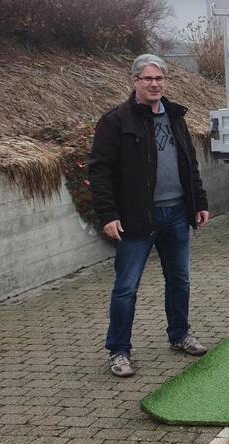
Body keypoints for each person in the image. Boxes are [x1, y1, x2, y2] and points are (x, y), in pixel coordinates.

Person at [89, 54, 210, 377]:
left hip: (176, 213)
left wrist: (198, 201)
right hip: (137, 218)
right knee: (126, 287)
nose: (154, 84)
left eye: (159, 79)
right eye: (148, 79)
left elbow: (189, 163)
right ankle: (119, 351)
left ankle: (180, 335)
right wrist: (108, 214)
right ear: (135, 82)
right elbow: (100, 171)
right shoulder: (116, 121)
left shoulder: (175, 116)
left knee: (179, 280)